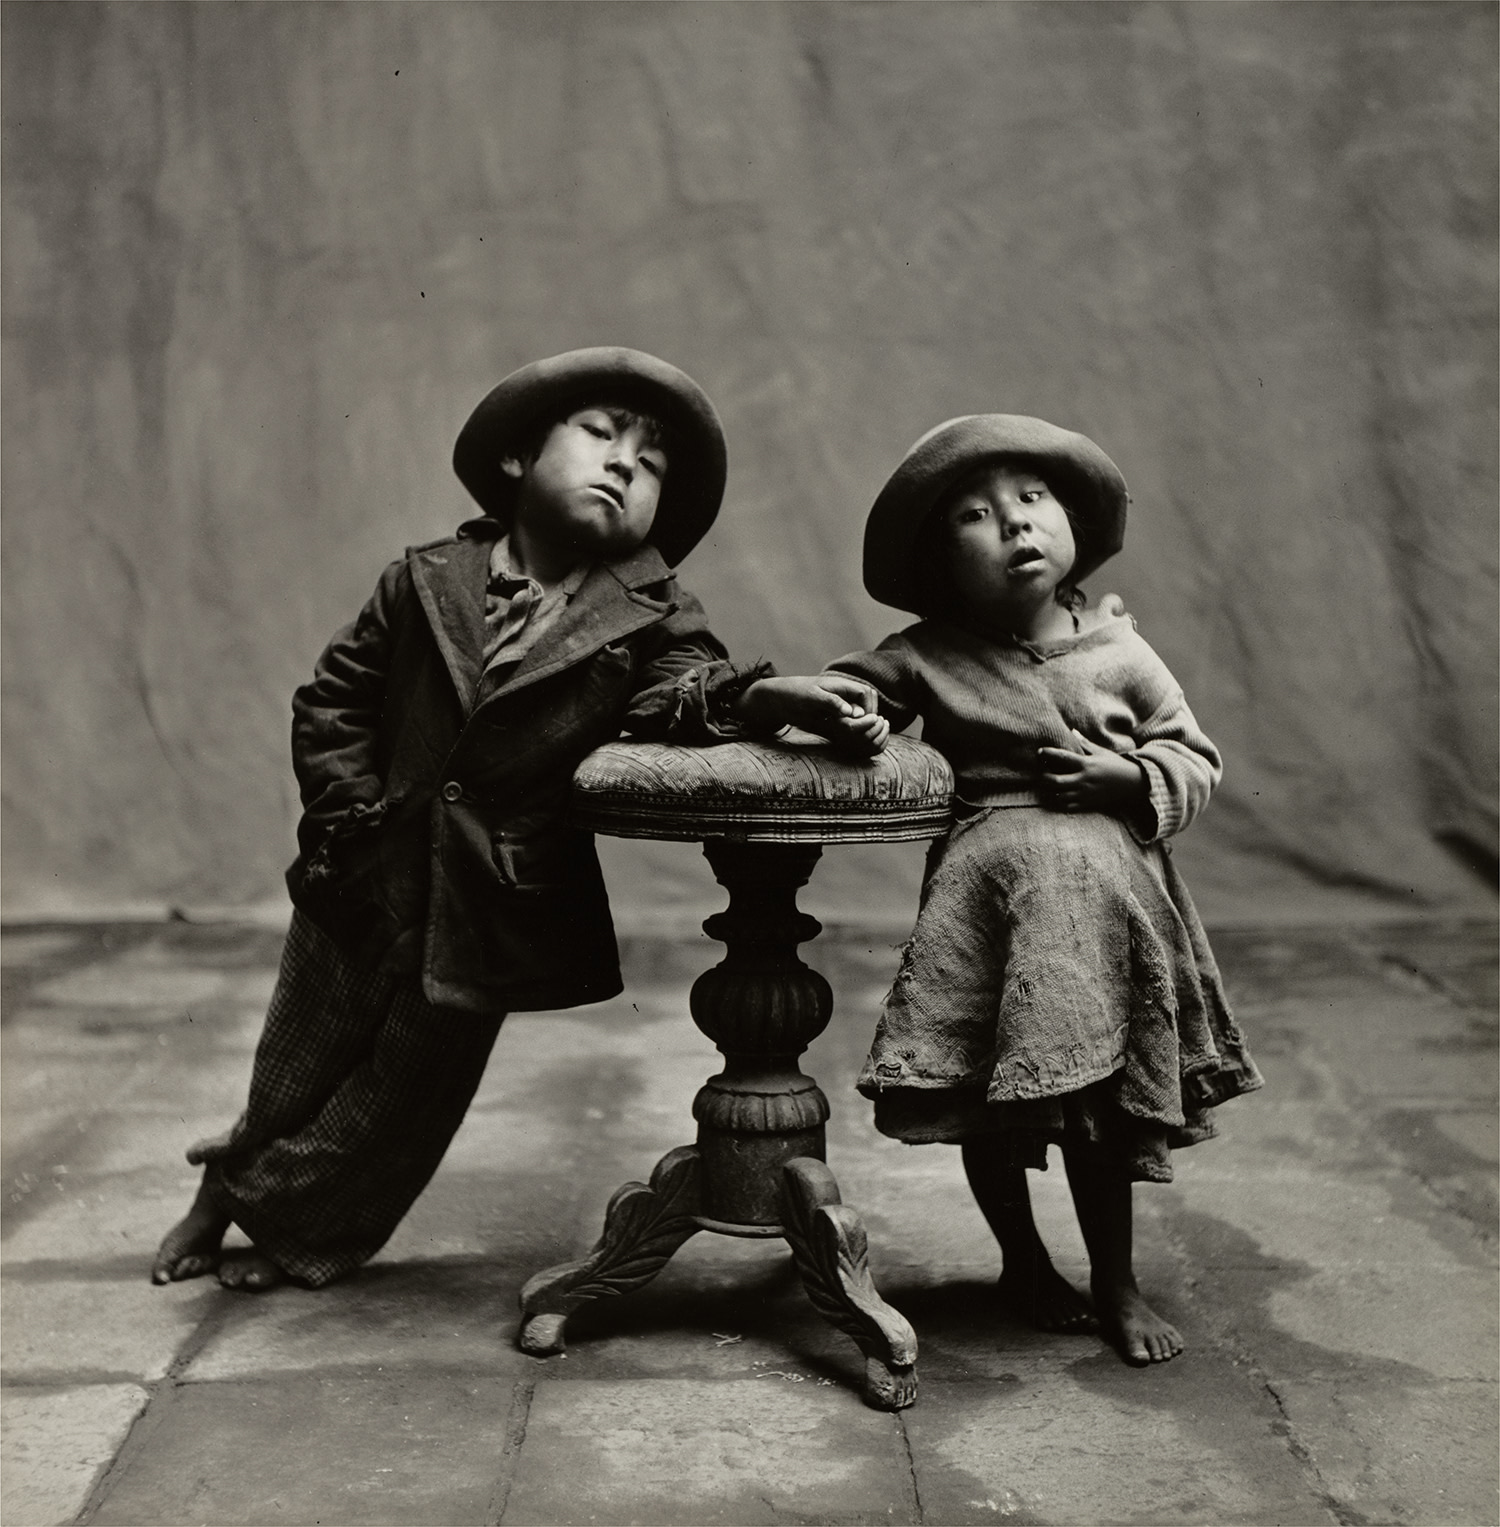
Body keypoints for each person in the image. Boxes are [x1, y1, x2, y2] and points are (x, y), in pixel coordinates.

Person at [151, 347, 875, 1292]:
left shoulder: (649, 610)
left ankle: (289, 1225)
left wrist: (781, 696)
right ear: (515, 464)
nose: (625, 464)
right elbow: (332, 702)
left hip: (494, 900)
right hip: (365, 870)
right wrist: (349, 817)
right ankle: (222, 1190)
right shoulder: (422, 579)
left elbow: (689, 694)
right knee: (298, 1064)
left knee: (398, 1099)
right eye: (601, 437)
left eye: (650, 463)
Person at [735, 414, 1263, 1365]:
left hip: (1107, 910)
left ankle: (1117, 1278)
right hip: (992, 910)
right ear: (944, 563)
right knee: (995, 1097)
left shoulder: (1120, 652)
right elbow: (850, 699)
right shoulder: (930, 652)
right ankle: (1022, 1258)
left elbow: (1193, 755)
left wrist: (1127, 780)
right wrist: (829, 711)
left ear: (1069, 529)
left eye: (1032, 501)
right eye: (977, 516)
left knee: (1099, 1105)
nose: (1015, 524)